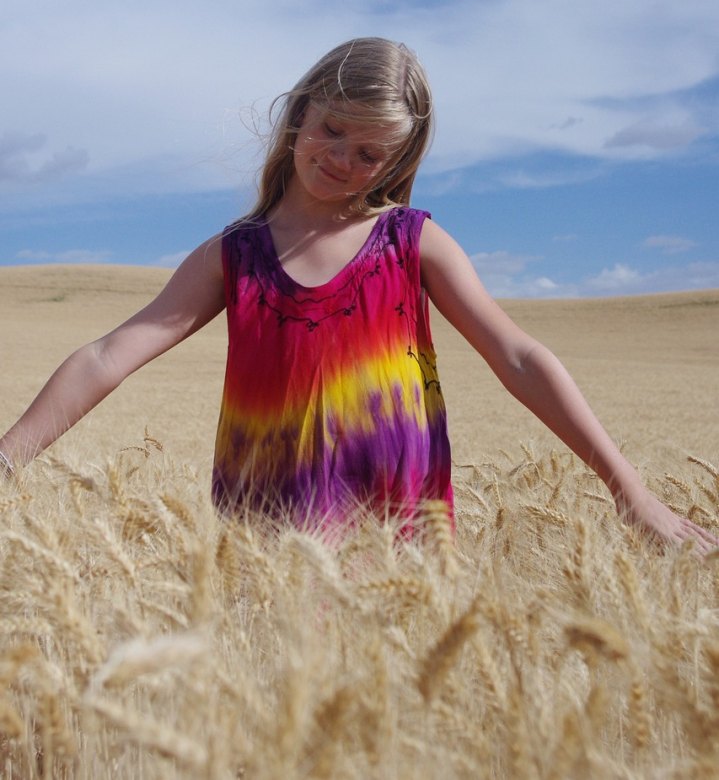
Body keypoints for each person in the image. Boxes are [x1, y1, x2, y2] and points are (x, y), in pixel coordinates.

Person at [1, 38, 716, 552]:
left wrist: (632, 493)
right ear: (300, 114)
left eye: (369, 152)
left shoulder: (412, 242)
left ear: (398, 159)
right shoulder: (234, 256)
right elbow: (106, 355)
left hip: (400, 539)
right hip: (265, 540)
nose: (341, 159)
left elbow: (518, 357)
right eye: (332, 131)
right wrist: (8, 459)